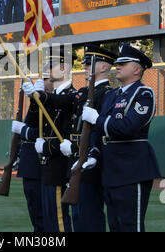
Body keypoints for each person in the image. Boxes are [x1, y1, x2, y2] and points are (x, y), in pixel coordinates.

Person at [82, 43, 161, 232]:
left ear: (137, 69)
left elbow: (128, 127)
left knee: (130, 225)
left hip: (132, 169)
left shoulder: (143, 94)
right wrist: (94, 153)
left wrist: (97, 119)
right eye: (118, 63)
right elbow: (99, 132)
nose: (117, 66)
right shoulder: (113, 95)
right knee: (115, 225)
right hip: (110, 169)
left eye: (123, 63)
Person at [22, 47, 77, 232]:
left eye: (52, 65)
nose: (47, 69)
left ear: (64, 68)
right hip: (47, 166)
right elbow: (31, 122)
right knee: (49, 221)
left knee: (59, 221)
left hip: (60, 165)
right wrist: (34, 99)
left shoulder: (73, 96)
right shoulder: (53, 97)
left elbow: (68, 133)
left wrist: (41, 97)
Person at [69, 44, 117, 232]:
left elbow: (101, 129)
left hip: (93, 161)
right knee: (78, 215)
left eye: (90, 63)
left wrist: (91, 153)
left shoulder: (107, 94)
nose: (85, 67)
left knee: (90, 215)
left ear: (104, 67)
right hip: (77, 157)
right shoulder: (84, 92)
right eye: (85, 63)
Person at [11, 75, 54, 232]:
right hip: (30, 164)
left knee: (46, 218)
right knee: (36, 215)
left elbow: (47, 131)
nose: (43, 82)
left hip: (43, 164)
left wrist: (24, 131)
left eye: (48, 79)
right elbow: (33, 121)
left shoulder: (57, 102)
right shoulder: (39, 103)